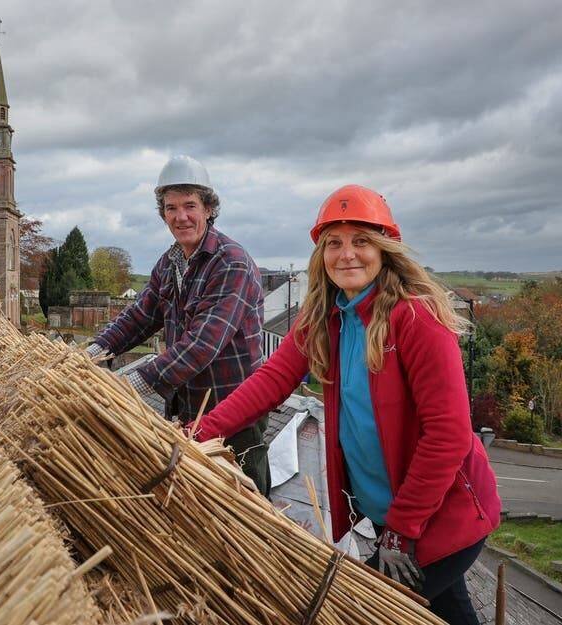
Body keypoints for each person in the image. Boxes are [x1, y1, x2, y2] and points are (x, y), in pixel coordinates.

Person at [190, 185, 500, 625]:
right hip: (396, 520)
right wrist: (200, 433)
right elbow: (271, 381)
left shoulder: (416, 319)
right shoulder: (326, 317)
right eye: (334, 243)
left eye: (361, 241)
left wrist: (401, 529)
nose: (347, 254)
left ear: (385, 249)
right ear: (321, 254)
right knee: (451, 612)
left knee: (360, 613)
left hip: (442, 518)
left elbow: (448, 435)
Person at [87, 155, 269, 493]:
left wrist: (132, 385)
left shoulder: (231, 263)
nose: (180, 217)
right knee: (199, 497)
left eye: (190, 206)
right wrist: (93, 353)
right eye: (171, 208)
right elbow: (139, 317)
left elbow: (202, 344)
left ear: (209, 209)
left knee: (246, 497)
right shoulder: (171, 261)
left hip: (236, 409)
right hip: (190, 407)